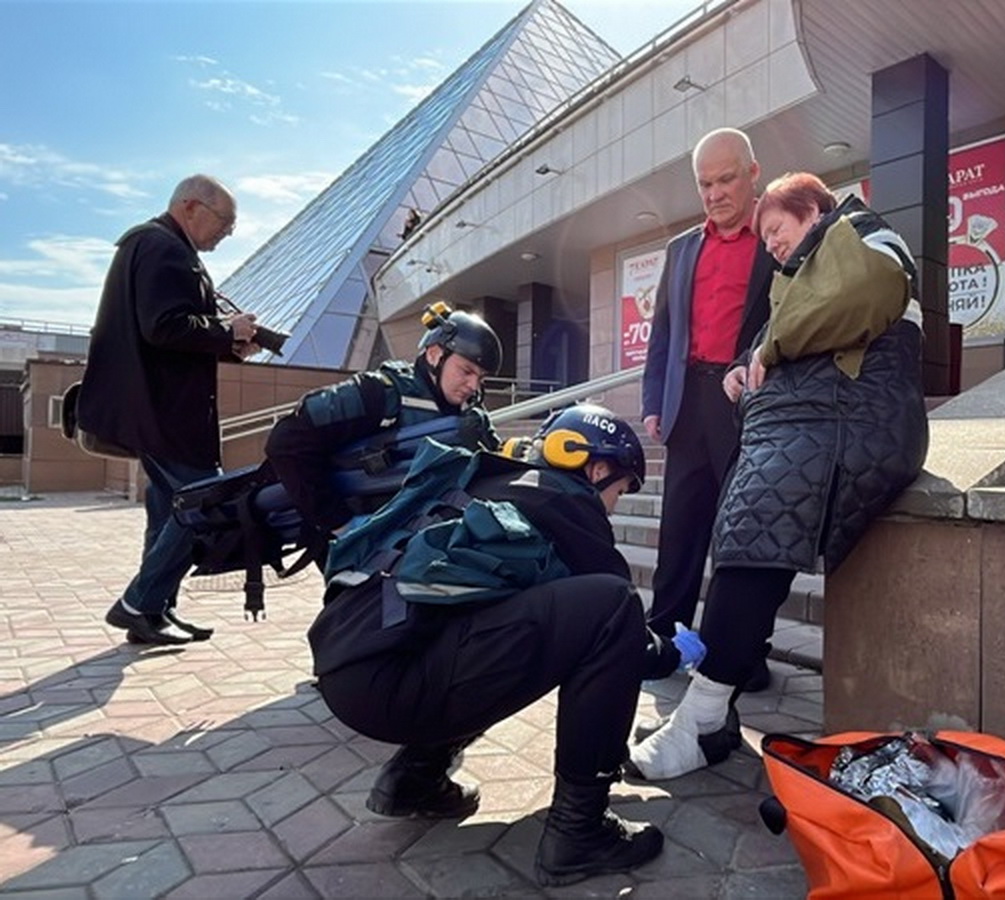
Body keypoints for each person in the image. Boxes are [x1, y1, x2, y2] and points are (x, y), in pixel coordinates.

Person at [303, 404, 700, 886]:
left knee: (499, 627)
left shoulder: (492, 484)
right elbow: (630, 644)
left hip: (352, 670)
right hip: (399, 685)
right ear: (594, 468)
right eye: (618, 489)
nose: (614, 504)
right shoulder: (567, 503)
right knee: (613, 606)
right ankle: (580, 832)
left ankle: (414, 778)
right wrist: (676, 652)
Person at [628, 172, 930, 781]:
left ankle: (706, 713)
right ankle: (710, 706)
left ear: (814, 210)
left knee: (758, 521)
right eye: (764, 239)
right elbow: (786, 337)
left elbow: (862, 297)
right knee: (746, 527)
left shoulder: (865, 235)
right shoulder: (808, 270)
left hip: (853, 418)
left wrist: (768, 352)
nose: (772, 246)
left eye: (777, 230)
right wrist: (747, 367)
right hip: (811, 421)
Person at [79, 174, 260, 646]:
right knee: (205, 505)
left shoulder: (157, 245)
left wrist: (229, 345)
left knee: (167, 515)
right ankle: (140, 603)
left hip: (158, 411)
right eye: (225, 221)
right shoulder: (163, 249)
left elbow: (166, 333)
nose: (227, 232)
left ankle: (154, 613)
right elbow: (164, 326)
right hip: (164, 414)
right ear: (191, 206)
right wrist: (227, 331)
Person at [640, 127, 775, 686]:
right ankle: (664, 636)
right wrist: (653, 401)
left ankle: (739, 651)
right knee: (681, 527)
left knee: (743, 532)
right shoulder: (681, 249)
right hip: (687, 401)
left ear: (752, 173)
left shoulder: (775, 240)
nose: (715, 193)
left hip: (744, 400)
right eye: (705, 184)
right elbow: (662, 335)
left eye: (725, 179)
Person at [264, 303, 503, 543]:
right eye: (466, 371)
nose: (474, 386)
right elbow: (285, 442)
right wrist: (342, 524)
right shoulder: (378, 393)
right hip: (367, 552)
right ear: (434, 354)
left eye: (480, 378)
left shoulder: (470, 417)